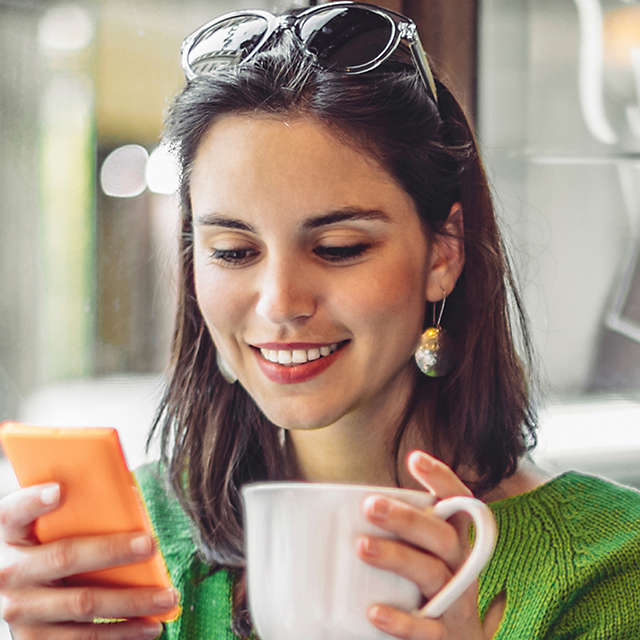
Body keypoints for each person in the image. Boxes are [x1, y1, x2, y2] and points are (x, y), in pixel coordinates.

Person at [1, 3, 640, 639]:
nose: (280, 302)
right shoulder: (129, 547)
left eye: (338, 248)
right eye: (233, 252)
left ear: (443, 253)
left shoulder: (611, 566)